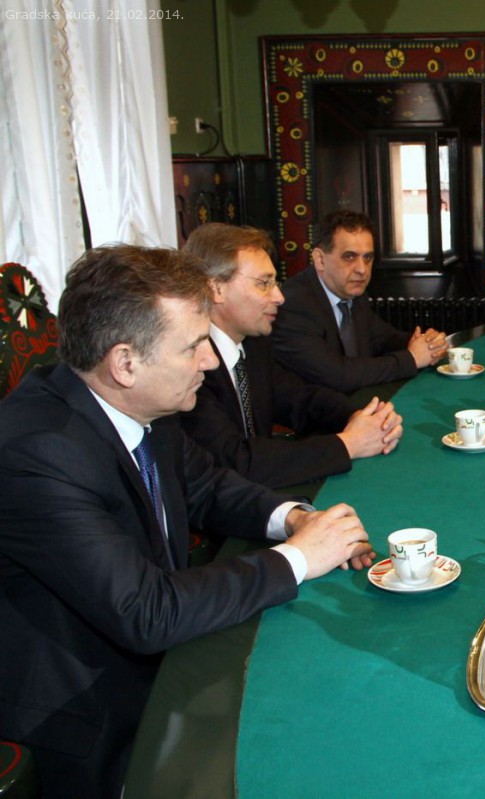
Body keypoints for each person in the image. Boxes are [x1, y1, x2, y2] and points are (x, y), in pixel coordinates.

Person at [0, 245, 376, 797]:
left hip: (160, 653)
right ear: (125, 363)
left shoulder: (143, 402)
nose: (210, 361)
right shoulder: (37, 453)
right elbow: (146, 612)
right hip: (88, 714)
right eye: (193, 345)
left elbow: (208, 486)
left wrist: (295, 519)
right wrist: (299, 558)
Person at [180, 223, 403, 489]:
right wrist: (349, 444)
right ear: (216, 289)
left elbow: (299, 399)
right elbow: (237, 461)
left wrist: (359, 416)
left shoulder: (253, 344)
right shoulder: (190, 366)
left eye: (274, 283)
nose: (279, 296)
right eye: (264, 283)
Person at [270, 210, 449, 393]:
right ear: (320, 260)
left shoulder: (353, 292)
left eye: (367, 257)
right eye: (349, 257)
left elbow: (383, 339)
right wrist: (412, 358)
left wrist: (427, 343)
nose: (362, 270)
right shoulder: (293, 304)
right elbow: (337, 375)